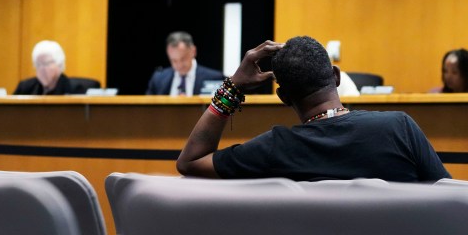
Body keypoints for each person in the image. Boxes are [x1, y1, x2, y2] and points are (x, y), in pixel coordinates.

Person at [177, 35, 451, 182]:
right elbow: (449, 196)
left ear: (284, 97)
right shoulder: (398, 128)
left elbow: (189, 162)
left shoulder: (275, 148)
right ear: (336, 76)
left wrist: (233, 87)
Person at [146, 31, 223, 96]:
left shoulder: (215, 78)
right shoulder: (158, 79)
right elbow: (148, 110)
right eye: (174, 60)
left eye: (183, 59)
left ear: (193, 51)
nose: (179, 65)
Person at [13, 40, 94, 95]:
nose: (42, 69)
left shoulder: (76, 89)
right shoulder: (25, 88)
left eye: (46, 64)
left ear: (60, 64)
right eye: (38, 64)